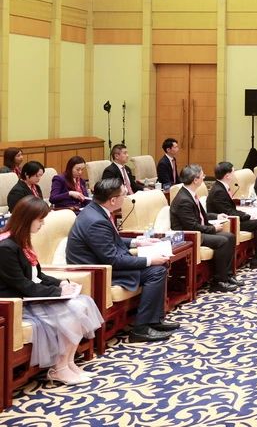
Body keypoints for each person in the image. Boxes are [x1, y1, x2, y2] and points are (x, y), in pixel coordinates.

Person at [0, 197, 104, 385]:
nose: (42, 224)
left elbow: (37, 275)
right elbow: (22, 284)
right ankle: (59, 368)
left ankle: (68, 362)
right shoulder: (6, 247)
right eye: (40, 220)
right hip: (16, 302)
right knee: (72, 311)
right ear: (26, 219)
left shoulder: (22, 241)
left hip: (29, 295)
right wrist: (58, 293)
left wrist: (61, 284)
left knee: (83, 303)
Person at [66, 177, 178, 342]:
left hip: (103, 263)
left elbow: (110, 239)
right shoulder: (96, 221)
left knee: (159, 268)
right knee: (156, 271)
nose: (126, 198)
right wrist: (149, 260)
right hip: (98, 271)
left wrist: (137, 242)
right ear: (113, 200)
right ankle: (141, 328)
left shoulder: (96, 210)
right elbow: (113, 260)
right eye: (124, 195)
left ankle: (153, 320)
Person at [169, 164, 239, 293]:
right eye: (202, 175)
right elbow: (191, 226)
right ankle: (218, 281)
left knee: (230, 236)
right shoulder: (183, 199)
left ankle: (227, 275)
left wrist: (216, 216)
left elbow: (200, 215)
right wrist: (213, 229)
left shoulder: (190, 193)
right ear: (195, 180)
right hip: (189, 235)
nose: (204, 177)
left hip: (197, 231)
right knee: (223, 241)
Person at [207, 161, 257, 269]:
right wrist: (246, 215)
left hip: (232, 218)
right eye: (233, 172)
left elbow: (230, 208)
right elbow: (228, 212)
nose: (234, 174)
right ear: (227, 176)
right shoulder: (218, 191)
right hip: (227, 222)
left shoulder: (222, 187)